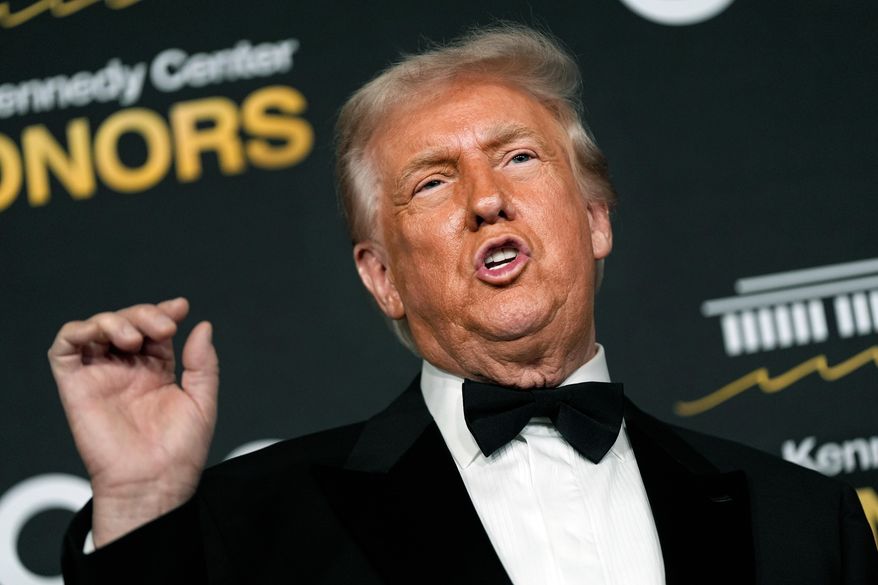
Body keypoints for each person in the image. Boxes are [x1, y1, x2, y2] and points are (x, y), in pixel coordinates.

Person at [50, 24, 876, 585]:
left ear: (595, 221)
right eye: (434, 181)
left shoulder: (803, 520)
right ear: (383, 278)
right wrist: (141, 512)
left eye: (518, 157)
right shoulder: (258, 526)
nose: (486, 200)